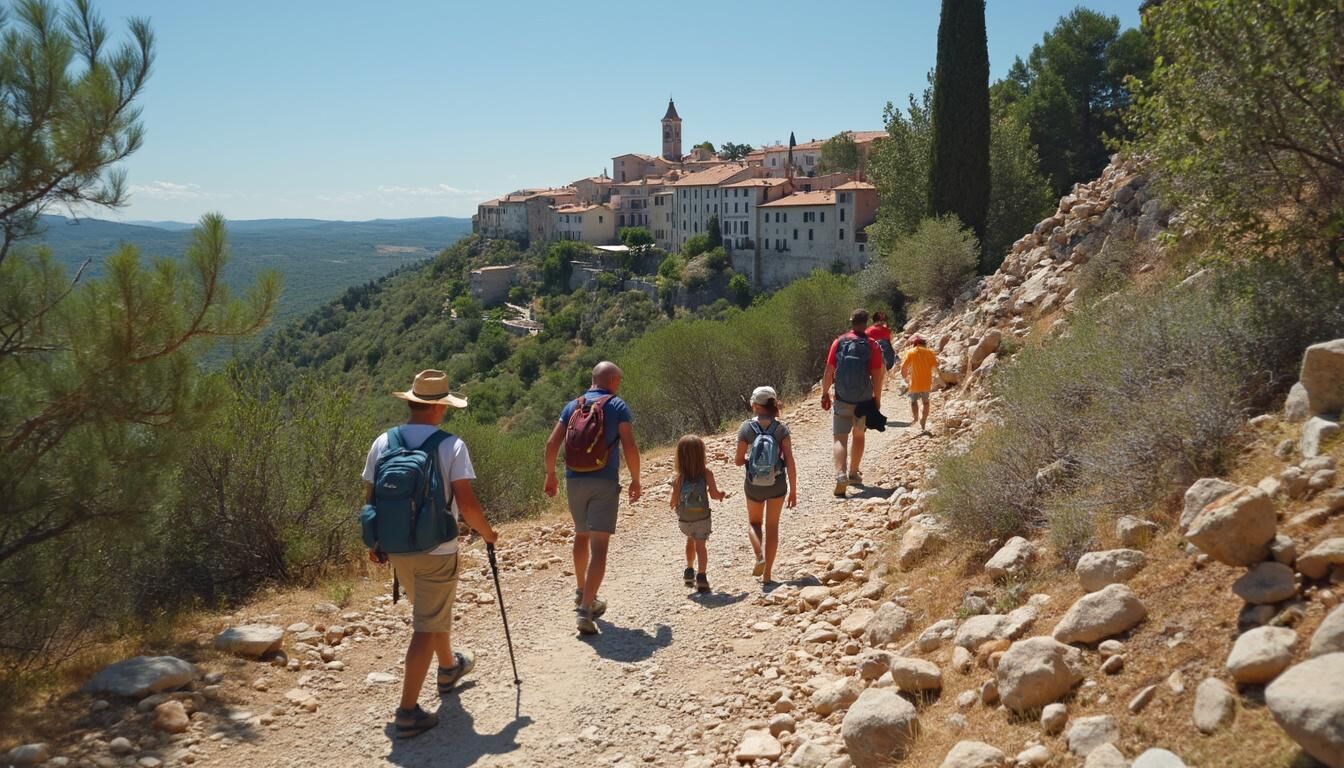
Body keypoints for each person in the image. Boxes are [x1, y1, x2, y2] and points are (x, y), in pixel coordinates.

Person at [361, 369, 498, 739]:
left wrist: (375, 543)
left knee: (430, 611)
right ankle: (407, 712)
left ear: (411, 402)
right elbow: (466, 504)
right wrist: (487, 533)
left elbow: (370, 501)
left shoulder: (383, 442)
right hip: (437, 548)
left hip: (396, 549)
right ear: (439, 407)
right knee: (426, 624)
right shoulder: (450, 445)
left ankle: (449, 667)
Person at [544, 361, 642, 636]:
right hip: (603, 480)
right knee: (600, 546)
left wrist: (550, 475)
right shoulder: (617, 406)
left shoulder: (572, 406)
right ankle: (587, 608)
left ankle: (580, 590)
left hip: (574, 480)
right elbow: (630, 446)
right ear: (612, 380)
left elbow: (552, 444)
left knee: (581, 534)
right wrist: (635, 478)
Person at [734, 386, 797, 585]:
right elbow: (790, 460)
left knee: (754, 524)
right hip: (777, 483)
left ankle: (758, 555)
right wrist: (793, 490)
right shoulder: (781, 429)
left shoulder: (746, 429)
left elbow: (737, 460)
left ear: (754, 405)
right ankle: (768, 574)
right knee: (772, 527)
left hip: (753, 484)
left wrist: (749, 462)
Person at [821, 309, 885, 497]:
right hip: (864, 400)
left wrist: (825, 393)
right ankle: (854, 473)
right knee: (858, 436)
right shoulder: (872, 344)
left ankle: (840, 474)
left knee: (840, 438)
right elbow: (877, 376)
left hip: (842, 398)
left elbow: (829, 371)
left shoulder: (839, 342)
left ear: (851, 321)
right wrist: (877, 399)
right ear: (866, 323)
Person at [668, 434, 726, 593]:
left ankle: (689, 570)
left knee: (690, 540)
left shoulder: (678, 478)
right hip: (702, 518)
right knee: (701, 546)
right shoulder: (707, 473)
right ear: (701, 454)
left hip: (685, 520)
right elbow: (714, 494)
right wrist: (721, 494)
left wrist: (675, 502)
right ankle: (701, 577)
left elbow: (673, 501)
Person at [900, 334, 940, 433]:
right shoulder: (930, 352)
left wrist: (906, 378)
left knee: (914, 402)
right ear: (924, 344)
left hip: (915, 382)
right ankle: (924, 421)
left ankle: (916, 418)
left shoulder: (910, 352)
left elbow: (903, 368)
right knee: (926, 402)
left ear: (915, 344)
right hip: (926, 382)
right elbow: (936, 366)